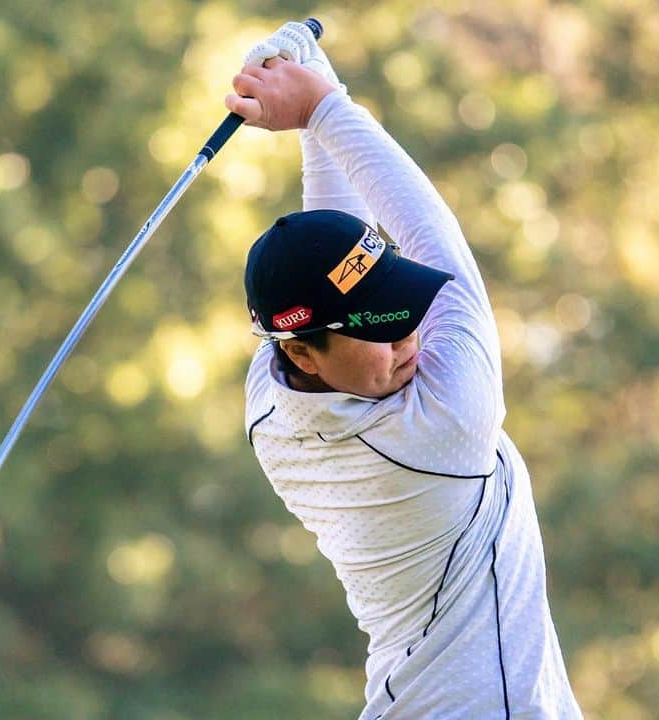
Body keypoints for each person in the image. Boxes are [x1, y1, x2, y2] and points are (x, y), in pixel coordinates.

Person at [227, 23, 583, 720]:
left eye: (404, 306)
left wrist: (313, 92)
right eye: (379, 329)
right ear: (303, 351)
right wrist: (325, 107)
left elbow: (329, 234)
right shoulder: (442, 424)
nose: (409, 337)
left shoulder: (270, 402)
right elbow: (435, 237)